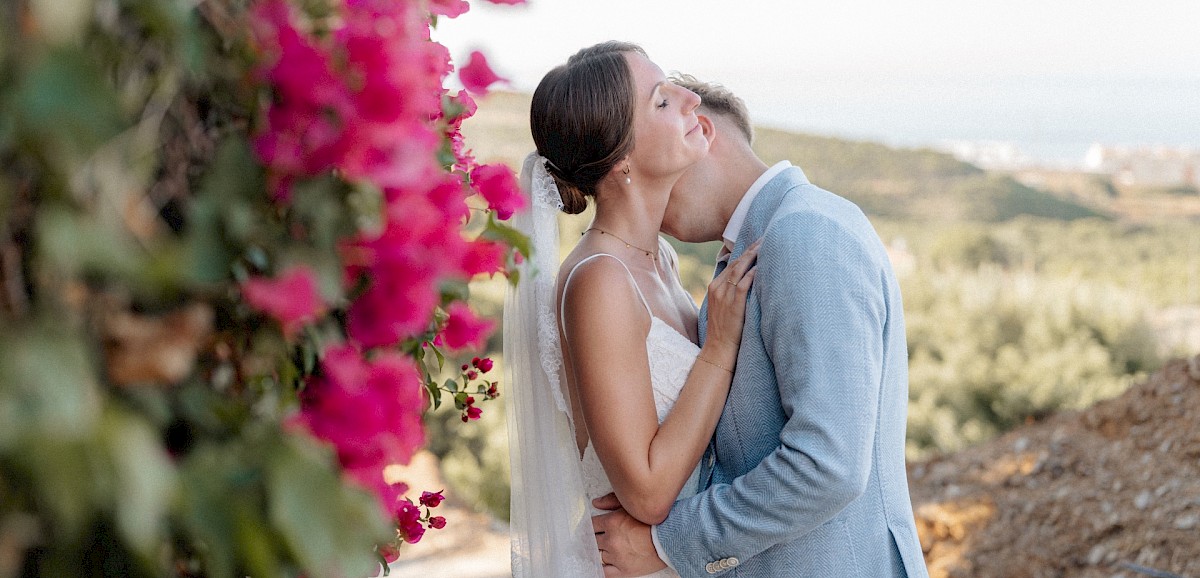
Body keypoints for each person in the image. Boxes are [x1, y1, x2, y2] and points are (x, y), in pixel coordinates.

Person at [590, 76, 931, 577]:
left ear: (700, 133)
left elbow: (828, 465)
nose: (653, 208)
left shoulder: (805, 232)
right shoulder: (756, 246)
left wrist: (667, 543)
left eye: (655, 178)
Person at [504, 44, 759, 577]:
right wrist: (719, 348)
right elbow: (645, 494)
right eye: (661, 102)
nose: (691, 99)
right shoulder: (600, 280)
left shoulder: (658, 257)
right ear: (621, 160)